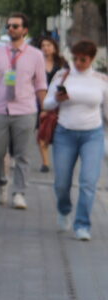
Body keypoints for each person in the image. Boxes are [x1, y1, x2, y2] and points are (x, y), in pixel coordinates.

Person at [45, 41, 108, 240]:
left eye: (84, 59)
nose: (79, 63)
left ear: (92, 59)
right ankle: (64, 210)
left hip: (93, 135)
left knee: (88, 181)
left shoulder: (101, 79)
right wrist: (57, 99)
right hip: (65, 133)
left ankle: (82, 224)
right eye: (76, 58)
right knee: (62, 183)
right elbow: (46, 104)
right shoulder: (62, 76)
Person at [0, 14, 47, 210]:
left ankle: (19, 192)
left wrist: (44, 108)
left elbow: (40, 84)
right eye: (9, 25)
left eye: (15, 26)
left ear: (25, 30)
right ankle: (2, 182)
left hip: (25, 109)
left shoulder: (36, 55)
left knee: (22, 155)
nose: (11, 28)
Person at [37, 34, 66, 173]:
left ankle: (60, 160)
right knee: (42, 131)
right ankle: (45, 163)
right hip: (39, 100)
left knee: (56, 132)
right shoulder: (36, 62)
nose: (46, 48)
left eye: (49, 45)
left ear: (54, 48)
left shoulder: (62, 64)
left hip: (58, 102)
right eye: (43, 46)